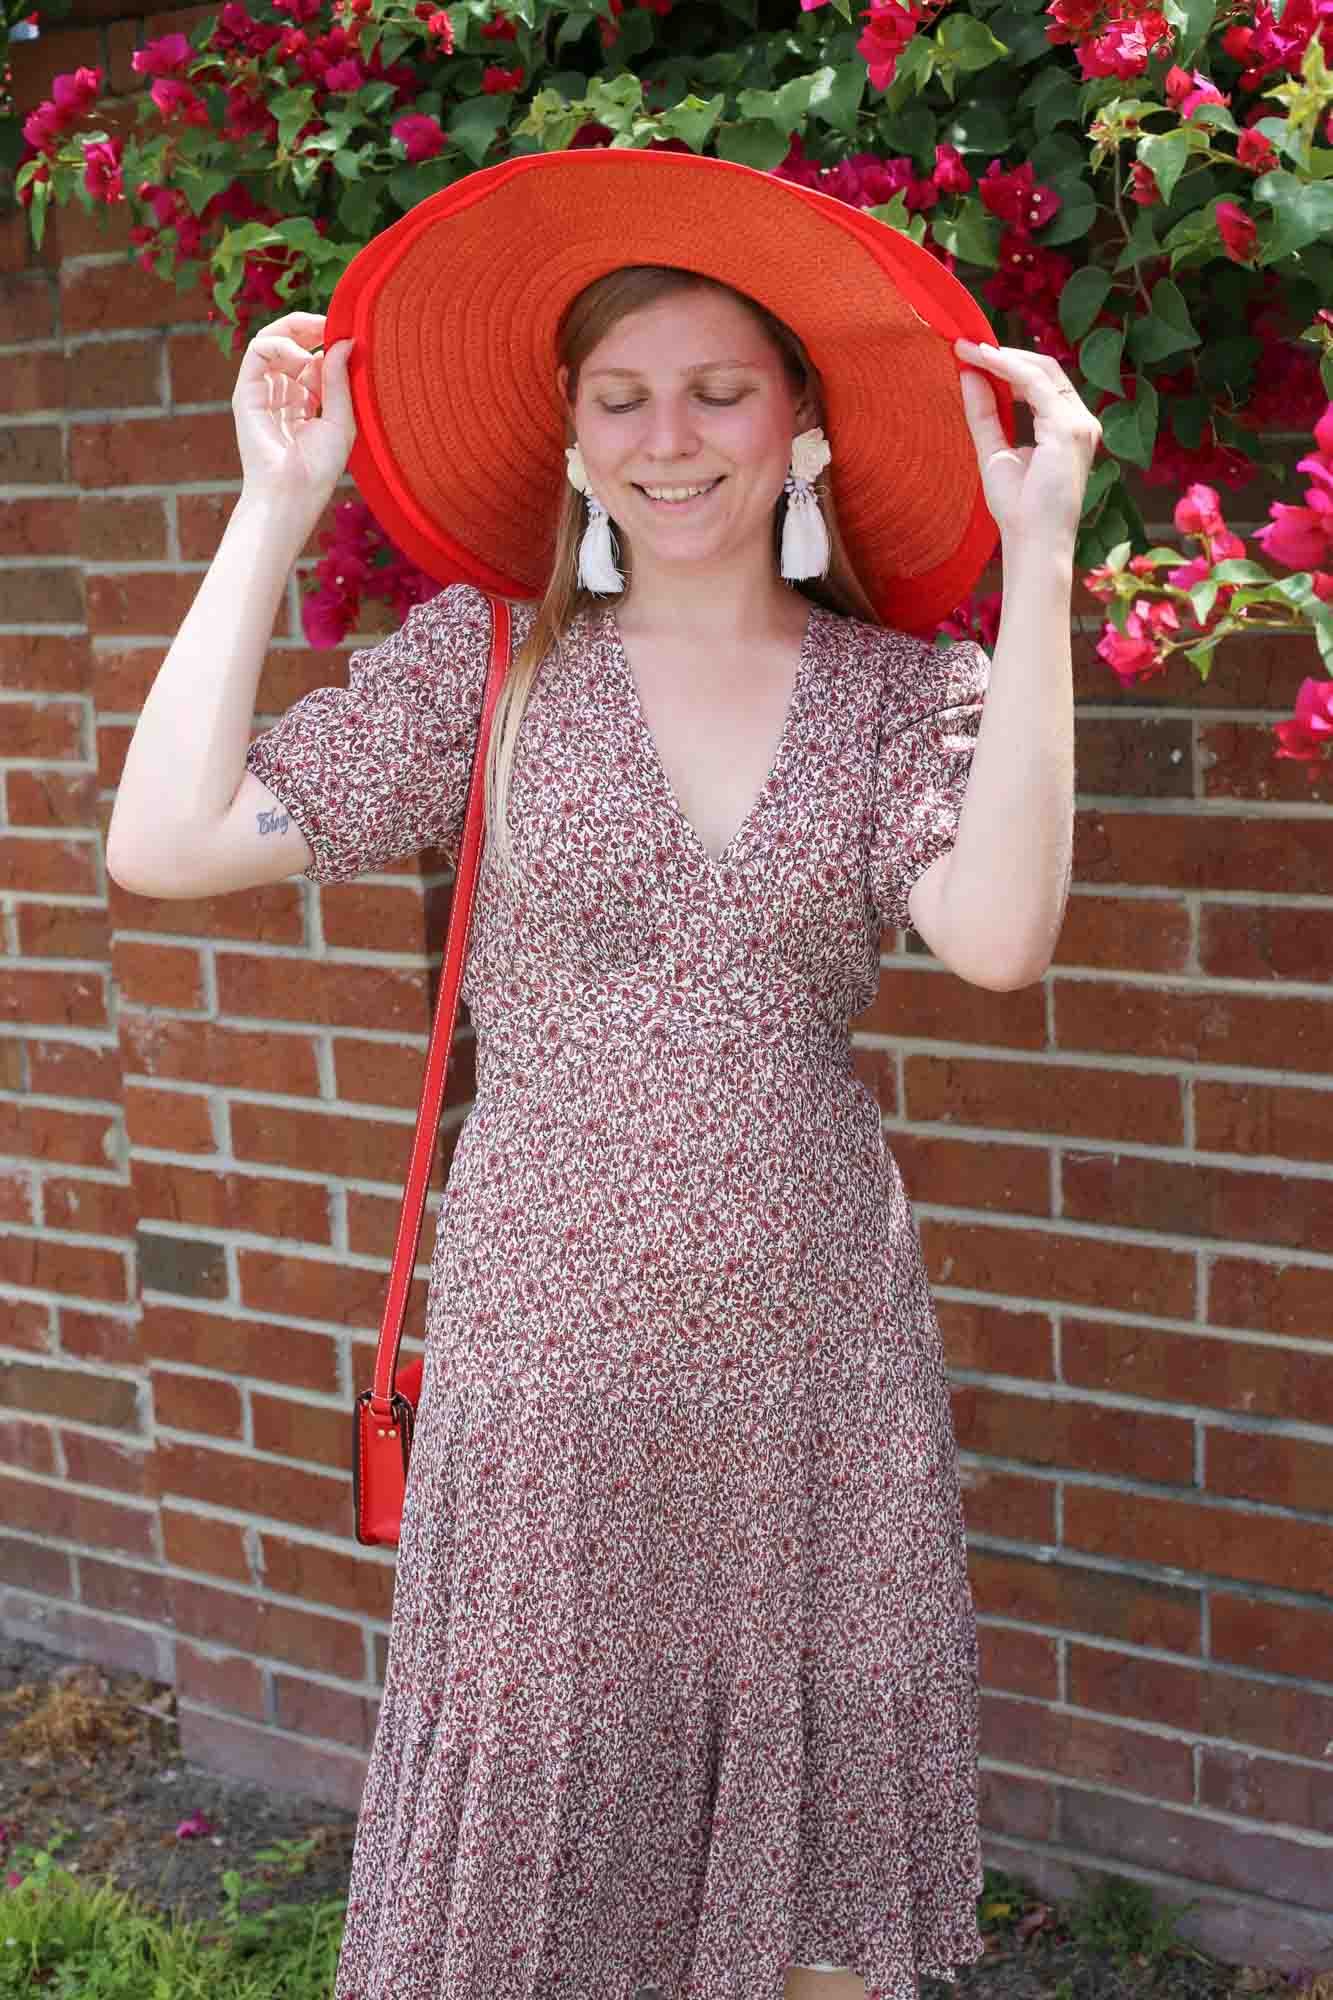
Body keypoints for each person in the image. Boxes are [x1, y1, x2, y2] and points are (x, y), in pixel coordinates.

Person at [106, 150, 1099, 2000]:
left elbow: (997, 935)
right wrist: (271, 507)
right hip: (545, 1351)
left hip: (814, 1356)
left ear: (797, 419)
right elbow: (165, 840)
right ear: (568, 438)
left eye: (720, 389)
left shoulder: (900, 691)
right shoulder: (485, 669)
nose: (672, 438)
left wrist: (1033, 561)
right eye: (621, 396)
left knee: (811, 1922)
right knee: (532, 1894)